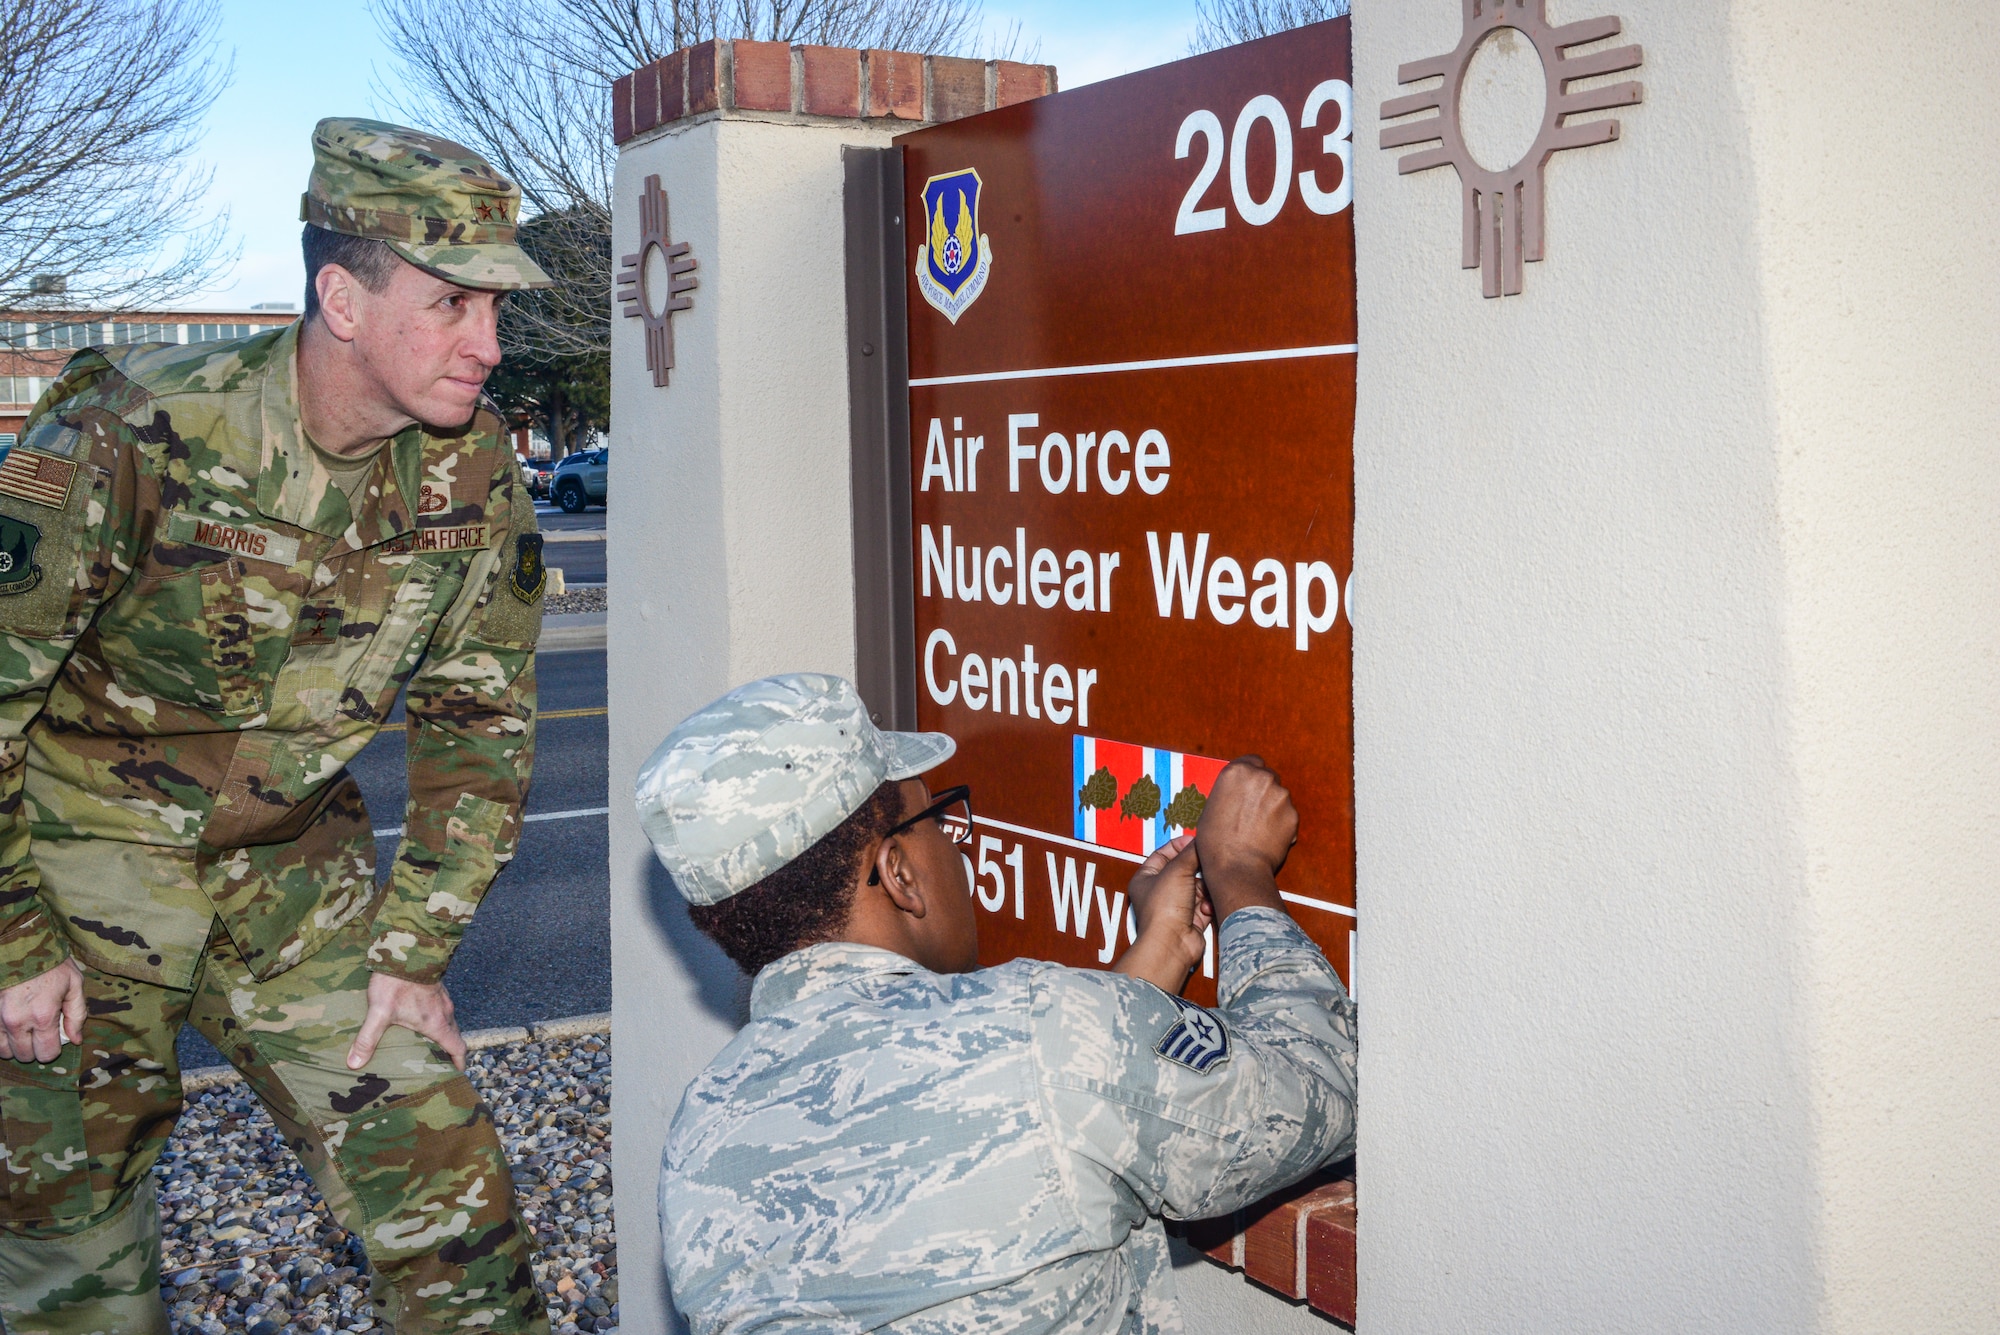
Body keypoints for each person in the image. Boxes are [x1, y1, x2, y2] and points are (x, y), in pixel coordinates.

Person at [0, 118, 553, 1333]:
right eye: (455, 303)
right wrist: (10, 940)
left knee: (447, 1195)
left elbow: (481, 711)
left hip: (293, 878)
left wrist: (414, 950)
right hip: (80, 863)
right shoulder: (137, 424)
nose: (489, 346)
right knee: (66, 1242)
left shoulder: (474, 468)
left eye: (498, 311)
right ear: (341, 298)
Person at [637, 673, 1358, 1333]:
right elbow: (1322, 1080)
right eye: (936, 820)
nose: (955, 849)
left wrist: (1153, 961)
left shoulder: (700, 1141)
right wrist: (1240, 873)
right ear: (898, 872)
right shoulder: (1041, 1032)